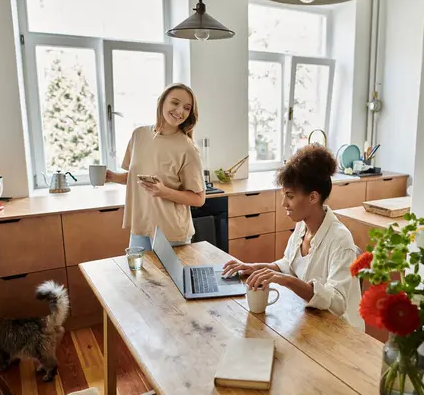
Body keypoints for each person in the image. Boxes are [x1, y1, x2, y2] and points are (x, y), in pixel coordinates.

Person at [222, 144, 365, 330]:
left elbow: (337, 303)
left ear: (313, 197)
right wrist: (253, 267)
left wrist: (286, 280)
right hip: (312, 320)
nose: (284, 203)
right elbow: (288, 265)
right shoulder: (302, 226)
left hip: (341, 333)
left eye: (289, 196)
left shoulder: (340, 240)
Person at [105, 83, 206, 250]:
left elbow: (199, 199)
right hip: (141, 226)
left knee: (166, 277)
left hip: (170, 231)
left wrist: (164, 191)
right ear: (162, 102)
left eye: (187, 108)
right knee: (138, 276)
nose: (180, 111)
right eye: (175, 103)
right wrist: (111, 177)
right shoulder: (139, 135)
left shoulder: (187, 147)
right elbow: (138, 177)